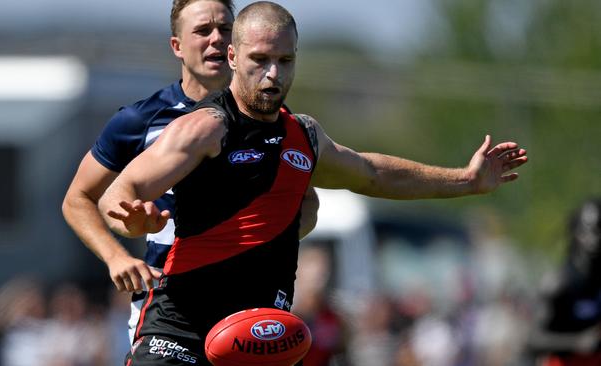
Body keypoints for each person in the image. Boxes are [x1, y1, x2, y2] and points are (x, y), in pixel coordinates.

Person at [98, 2, 529, 365]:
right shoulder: (205, 128)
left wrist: (466, 180)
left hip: (259, 336)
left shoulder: (304, 136)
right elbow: (119, 192)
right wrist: (133, 218)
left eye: (284, 61)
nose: (272, 75)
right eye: (260, 60)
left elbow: (373, 173)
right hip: (179, 329)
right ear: (233, 57)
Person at [61, 0, 320, 344]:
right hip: (170, 311)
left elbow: (305, 204)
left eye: (225, 29)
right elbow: (78, 198)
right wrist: (116, 257)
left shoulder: (272, 119)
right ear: (177, 46)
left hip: (243, 310)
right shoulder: (140, 121)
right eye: (202, 30)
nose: (215, 38)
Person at [528, 198, 601, 366]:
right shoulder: (558, 283)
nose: (597, 239)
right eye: (593, 230)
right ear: (577, 233)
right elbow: (533, 339)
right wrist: (576, 342)